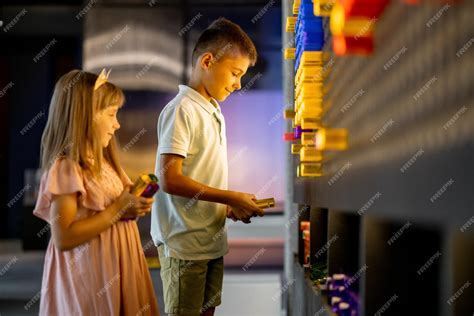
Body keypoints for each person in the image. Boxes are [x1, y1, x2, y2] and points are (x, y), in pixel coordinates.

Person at [151, 18, 264, 316]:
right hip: (184, 243)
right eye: (235, 73)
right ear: (207, 61)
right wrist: (229, 197)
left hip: (209, 240)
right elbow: (169, 180)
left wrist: (225, 208)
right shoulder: (182, 109)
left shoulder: (213, 109)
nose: (239, 83)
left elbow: (198, 177)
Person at [33, 69, 160, 315]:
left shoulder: (105, 163)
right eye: (111, 114)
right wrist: (118, 209)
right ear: (85, 117)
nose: (117, 124)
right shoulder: (67, 168)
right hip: (92, 276)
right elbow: (63, 237)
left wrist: (132, 205)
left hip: (116, 267)